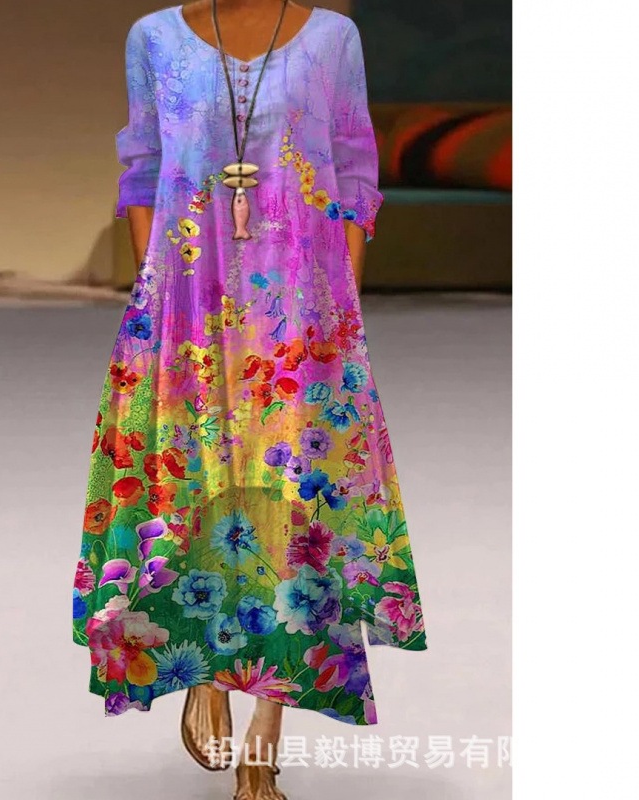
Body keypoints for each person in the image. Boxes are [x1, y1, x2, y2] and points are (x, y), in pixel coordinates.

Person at [72, 2, 428, 798]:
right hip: (188, 303)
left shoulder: (331, 37)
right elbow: (143, 166)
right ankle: (204, 668)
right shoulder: (153, 38)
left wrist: (338, 306)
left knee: (292, 507)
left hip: (297, 304)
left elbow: (353, 170)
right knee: (192, 485)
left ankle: (264, 737)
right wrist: (159, 294)